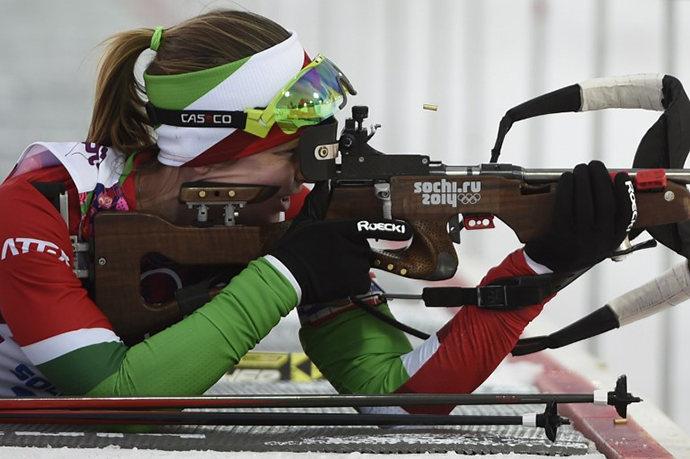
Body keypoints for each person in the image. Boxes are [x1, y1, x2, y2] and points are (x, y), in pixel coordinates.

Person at [0, 9, 634, 410]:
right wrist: (285, 277)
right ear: (213, 158)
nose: (311, 177)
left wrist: (537, 270)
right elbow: (114, 398)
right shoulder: (36, 205)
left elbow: (395, 398)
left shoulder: (286, 209)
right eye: (297, 155)